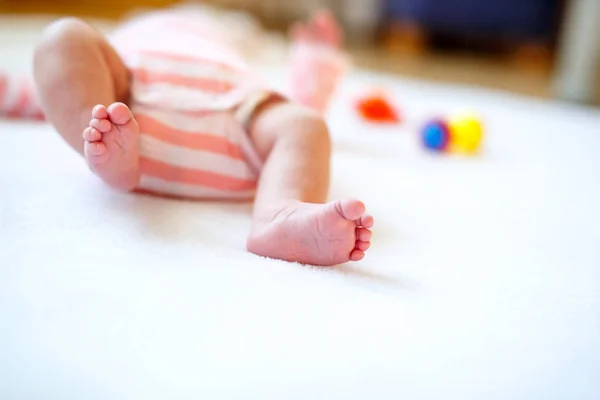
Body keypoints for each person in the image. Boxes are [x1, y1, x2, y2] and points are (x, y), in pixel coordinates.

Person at [21, 8, 374, 266]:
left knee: (304, 123)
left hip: (238, 112)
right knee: (64, 38)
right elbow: (54, 87)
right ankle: (101, 145)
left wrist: (316, 58)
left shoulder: (226, 42)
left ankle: (279, 211)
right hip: (125, 104)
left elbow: (305, 102)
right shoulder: (125, 43)